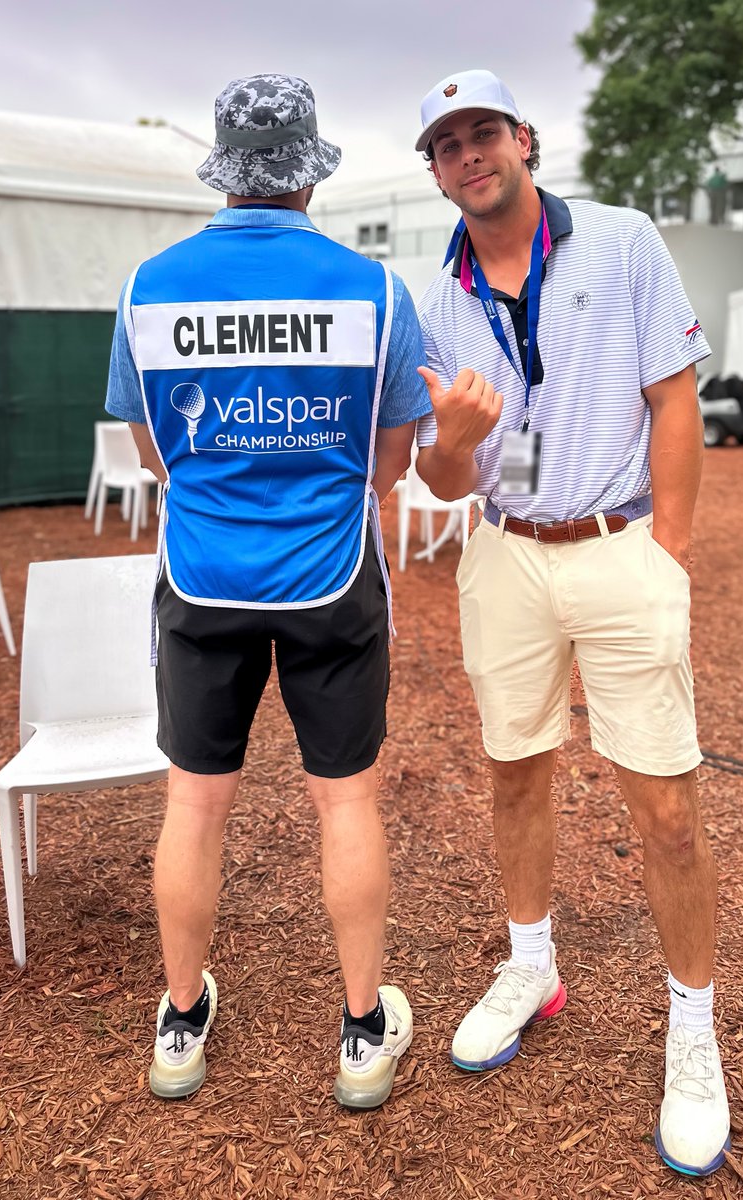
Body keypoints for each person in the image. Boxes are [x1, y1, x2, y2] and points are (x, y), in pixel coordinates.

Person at [411, 69, 731, 1177]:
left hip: (618, 546)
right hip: (503, 552)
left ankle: (693, 1031)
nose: (469, 155)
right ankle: (532, 964)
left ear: (524, 139)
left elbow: (674, 396)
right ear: (436, 170)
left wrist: (669, 558)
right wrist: (453, 438)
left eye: (483, 132)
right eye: (446, 144)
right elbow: (445, 479)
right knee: (513, 770)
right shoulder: (435, 296)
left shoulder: (622, 239)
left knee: (667, 806)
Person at [104, 73, 431, 1109]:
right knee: (347, 801)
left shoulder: (149, 287)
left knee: (194, 805)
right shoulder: (374, 290)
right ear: (306, 172)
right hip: (332, 577)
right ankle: (363, 1030)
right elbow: (388, 469)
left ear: (225, 167)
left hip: (203, 576)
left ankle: (182, 1023)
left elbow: (151, 448)